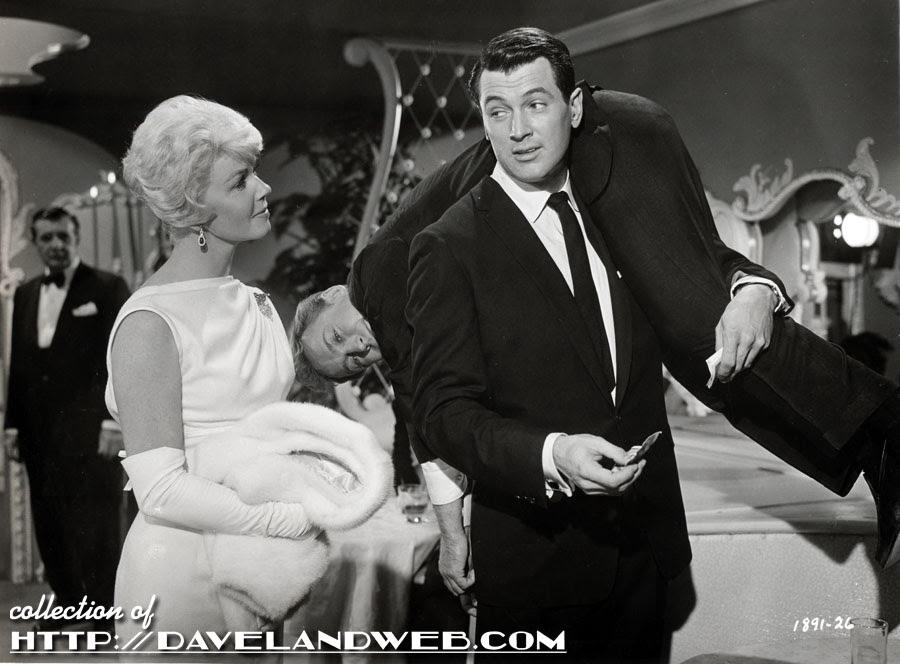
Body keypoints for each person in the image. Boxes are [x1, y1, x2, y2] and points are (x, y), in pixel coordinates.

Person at [293, 28, 900, 608]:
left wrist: (452, 535)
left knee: (695, 330)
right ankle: (874, 450)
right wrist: (756, 286)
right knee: (696, 338)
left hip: (611, 133)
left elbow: (427, 416)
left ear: (334, 293)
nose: (357, 347)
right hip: (628, 124)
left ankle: (884, 425)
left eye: (335, 336)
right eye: (350, 364)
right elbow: (701, 262)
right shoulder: (472, 237)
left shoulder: (374, 276)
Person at [106, 95, 315, 644]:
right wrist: (291, 520)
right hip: (182, 574)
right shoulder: (150, 322)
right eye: (241, 180)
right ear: (195, 206)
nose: (264, 188)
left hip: (263, 570)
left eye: (255, 172)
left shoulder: (254, 301)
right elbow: (160, 491)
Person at [4, 206, 130, 632]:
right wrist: (12, 425)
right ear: (36, 243)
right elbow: (19, 365)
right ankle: (67, 601)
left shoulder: (108, 288)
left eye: (63, 236)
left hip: (91, 431)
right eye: (47, 237)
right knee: (50, 520)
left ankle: (103, 612)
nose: (56, 245)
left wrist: (113, 422)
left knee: (97, 522)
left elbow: (119, 359)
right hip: (38, 433)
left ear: (76, 238)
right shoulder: (26, 294)